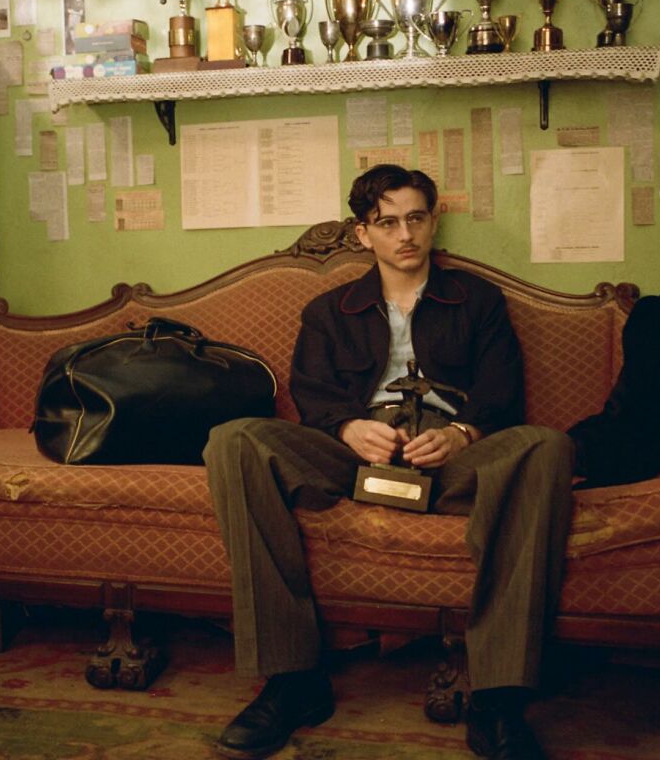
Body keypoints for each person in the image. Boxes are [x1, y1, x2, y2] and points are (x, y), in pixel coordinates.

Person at [204, 165, 575, 760]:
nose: (405, 234)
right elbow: (313, 394)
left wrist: (461, 432)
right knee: (235, 440)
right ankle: (293, 681)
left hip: (453, 458)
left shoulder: (477, 300)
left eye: (416, 218)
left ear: (432, 222)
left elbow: (503, 395)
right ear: (363, 235)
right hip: (355, 457)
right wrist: (350, 427)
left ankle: (499, 697)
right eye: (388, 222)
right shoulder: (329, 311)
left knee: (548, 447)